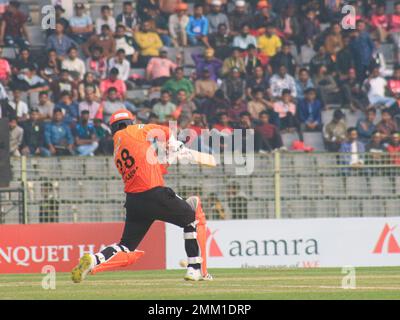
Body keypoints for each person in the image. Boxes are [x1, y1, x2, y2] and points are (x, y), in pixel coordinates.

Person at [71, 109, 213, 283]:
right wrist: (175, 144)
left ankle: (94, 259)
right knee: (191, 219)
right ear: (130, 122)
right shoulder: (136, 130)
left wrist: (168, 156)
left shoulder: (116, 150)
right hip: (154, 193)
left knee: (126, 245)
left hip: (134, 202)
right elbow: (165, 131)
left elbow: (155, 168)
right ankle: (194, 269)